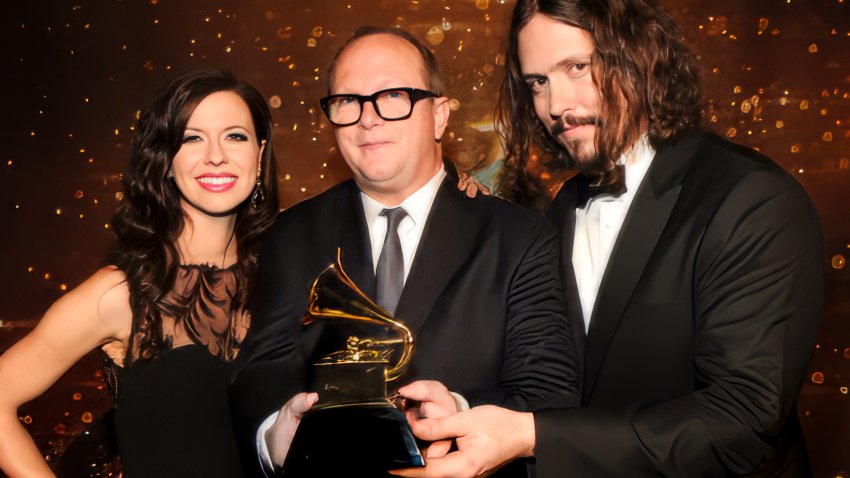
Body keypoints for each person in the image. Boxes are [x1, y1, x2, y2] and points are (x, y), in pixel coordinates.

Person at [392, 0, 824, 476]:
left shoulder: (751, 198)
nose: (555, 106)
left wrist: (531, 436)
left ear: (641, 55)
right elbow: (564, 381)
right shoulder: (560, 205)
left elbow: (741, 421)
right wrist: (461, 409)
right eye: (538, 83)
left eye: (577, 67)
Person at [229, 25, 579, 477]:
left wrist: (456, 413)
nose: (367, 118)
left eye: (392, 96)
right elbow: (261, 370)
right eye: (347, 102)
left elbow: (548, 394)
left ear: (439, 115)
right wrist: (275, 435)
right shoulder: (291, 233)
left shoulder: (522, 237)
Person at [0, 69, 280, 477]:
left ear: (260, 152)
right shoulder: (121, 292)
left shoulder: (288, 273)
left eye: (235, 136)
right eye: (191, 137)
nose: (216, 155)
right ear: (165, 159)